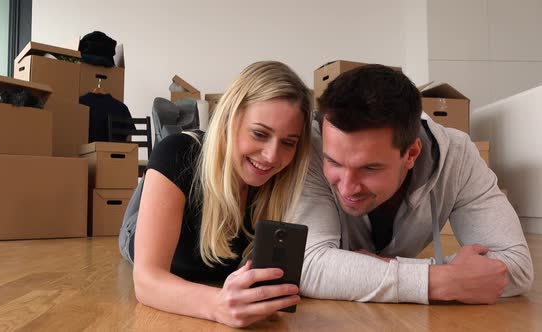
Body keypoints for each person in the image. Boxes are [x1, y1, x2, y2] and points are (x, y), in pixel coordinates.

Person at [295, 64, 533, 304]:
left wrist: (383, 268)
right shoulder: (311, 151)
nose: (347, 188)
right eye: (334, 162)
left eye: (370, 168)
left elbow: (514, 267)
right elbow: (306, 265)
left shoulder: (458, 156)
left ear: (411, 154)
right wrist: (438, 280)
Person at [118, 61, 312, 327]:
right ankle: (150, 184)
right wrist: (217, 305)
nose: (272, 156)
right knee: (140, 239)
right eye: (259, 133)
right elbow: (147, 282)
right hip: (139, 227)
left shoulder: (283, 178)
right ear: (231, 118)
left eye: (288, 143)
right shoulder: (176, 153)